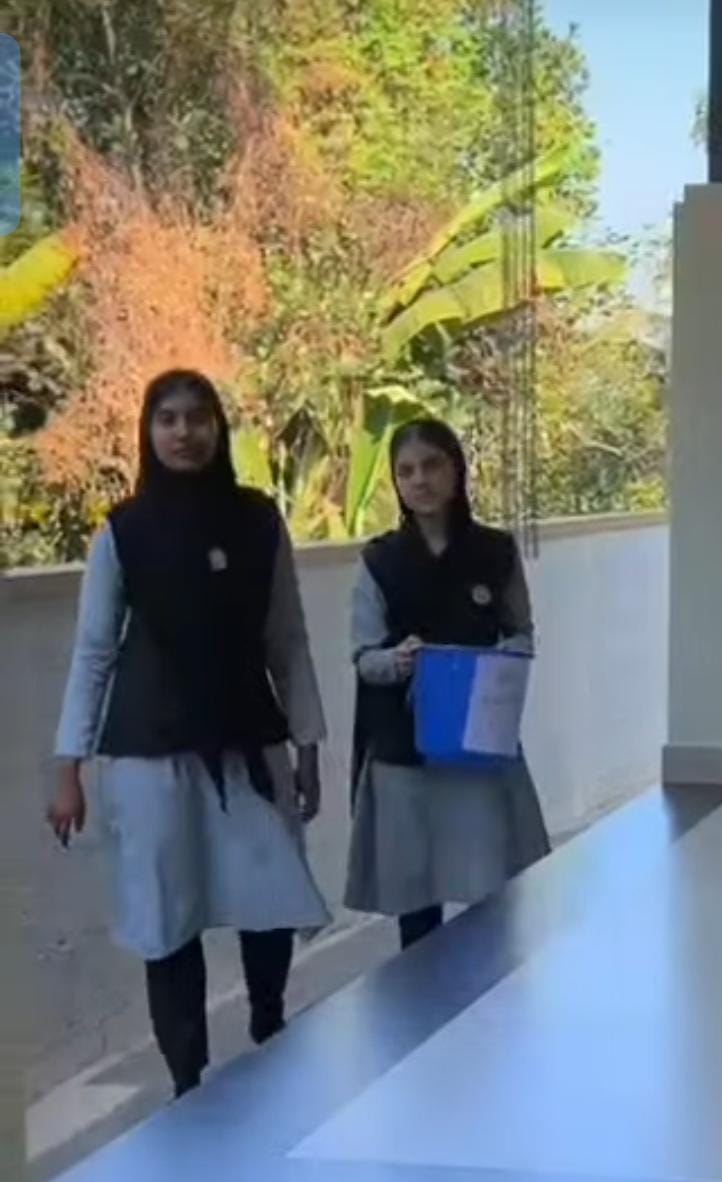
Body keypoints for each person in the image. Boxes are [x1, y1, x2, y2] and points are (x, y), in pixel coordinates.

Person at [47, 369, 330, 1098]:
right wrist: (68, 766)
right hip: (149, 755)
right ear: (149, 431)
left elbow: (287, 640)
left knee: (270, 896)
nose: (183, 432)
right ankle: (187, 1086)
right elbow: (94, 651)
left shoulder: (259, 521)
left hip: (249, 744)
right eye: (167, 419)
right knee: (168, 918)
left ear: (218, 428)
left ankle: (270, 1027)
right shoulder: (122, 532)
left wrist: (307, 744)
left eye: (198, 417)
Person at [345, 418, 550, 950]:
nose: (420, 480)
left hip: (478, 746)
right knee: (418, 910)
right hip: (405, 753)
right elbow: (364, 657)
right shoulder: (379, 561)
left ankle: (498, 999)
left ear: (457, 469)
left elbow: (521, 632)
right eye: (406, 471)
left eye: (432, 465)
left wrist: (493, 662)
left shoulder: (496, 552)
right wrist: (399, 660)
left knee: (494, 899)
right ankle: (424, 1002)